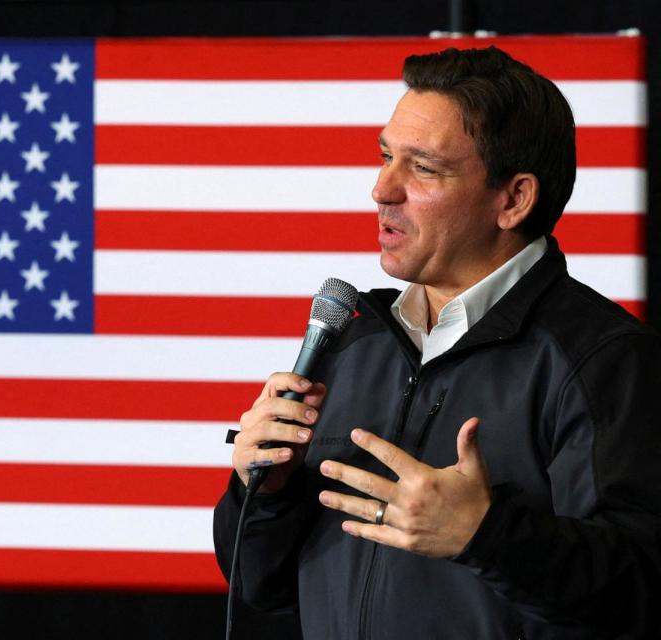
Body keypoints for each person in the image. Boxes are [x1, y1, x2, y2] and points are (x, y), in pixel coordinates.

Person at [214, 46, 661, 639]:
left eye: (423, 167)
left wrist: (485, 535)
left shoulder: (601, 359)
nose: (381, 189)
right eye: (384, 156)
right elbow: (261, 585)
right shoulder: (353, 338)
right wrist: (267, 491)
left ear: (513, 199)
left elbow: (643, 592)